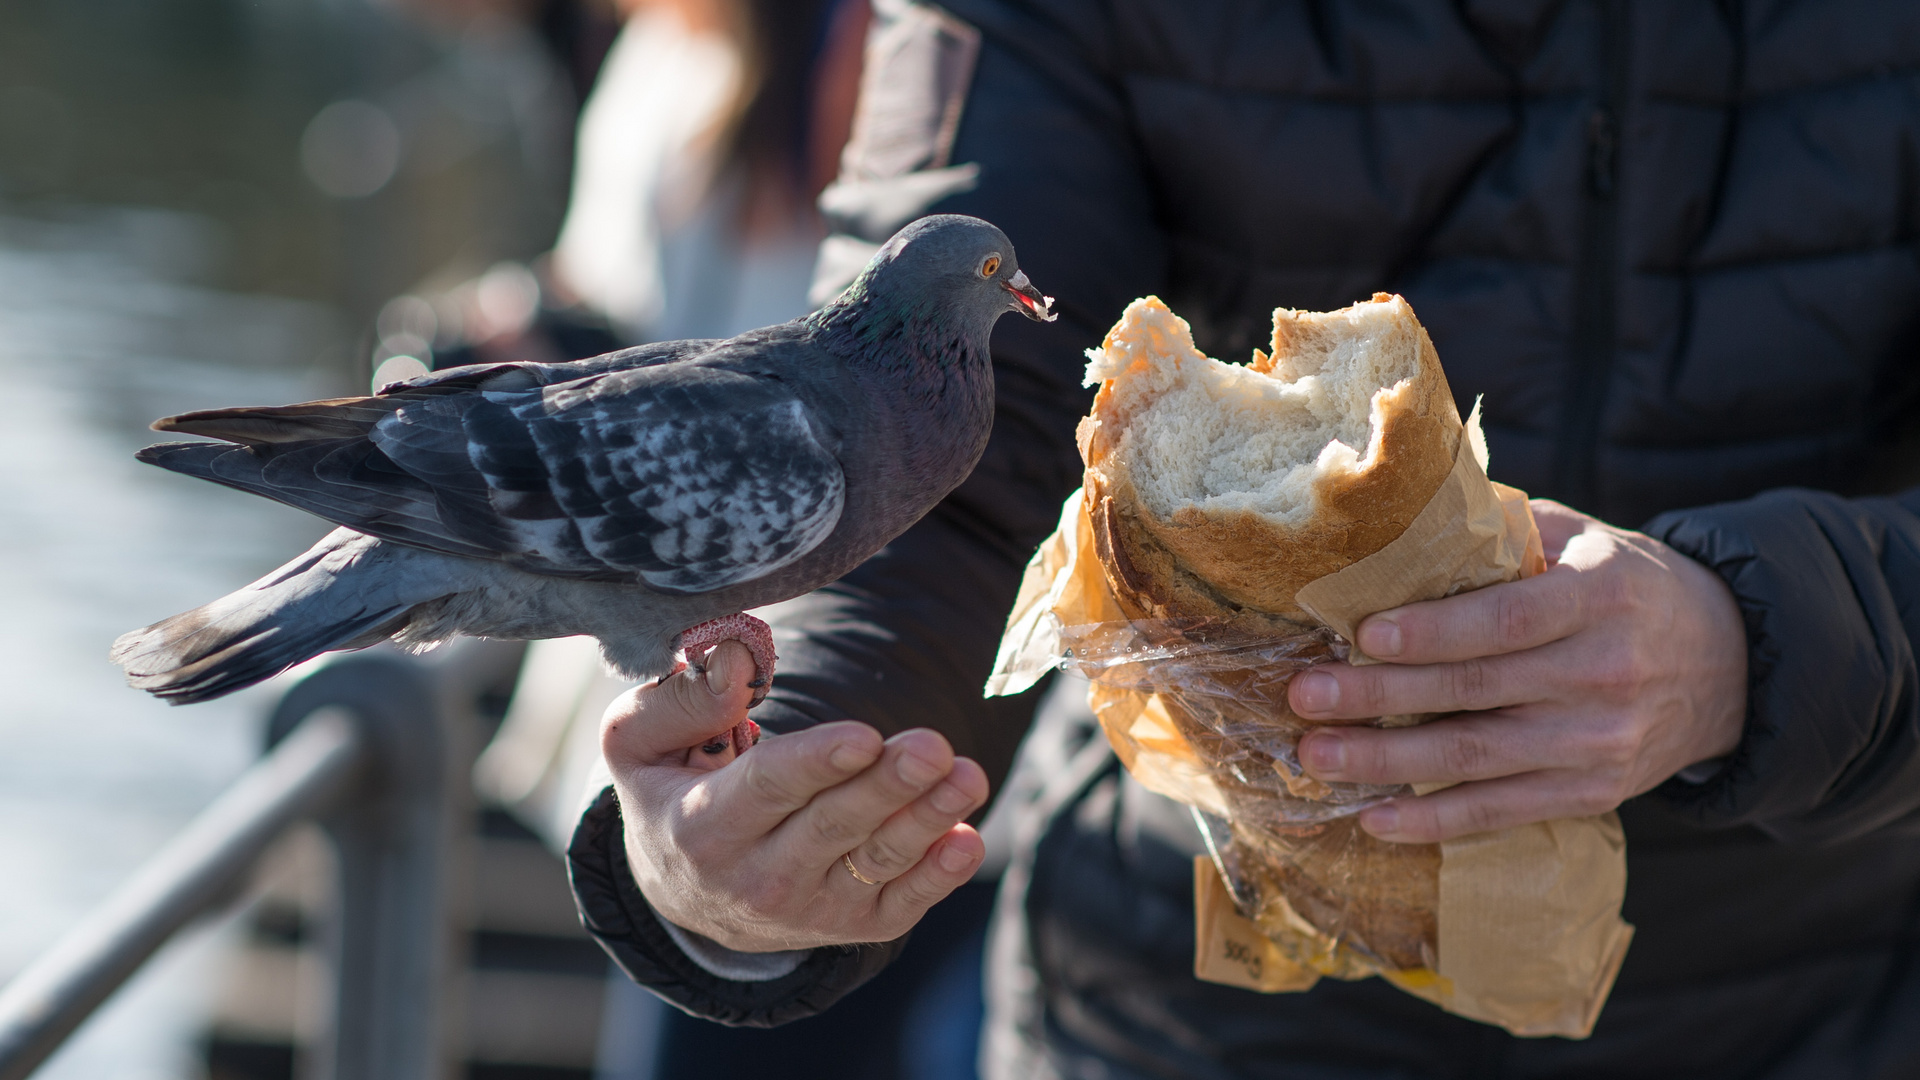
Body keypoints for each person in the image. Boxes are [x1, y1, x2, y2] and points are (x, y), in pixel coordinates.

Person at [568, 0, 1920, 1076]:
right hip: (1184, 998)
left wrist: (1753, 642)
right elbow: (945, 445)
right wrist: (773, 788)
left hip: (1832, 995)